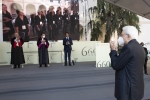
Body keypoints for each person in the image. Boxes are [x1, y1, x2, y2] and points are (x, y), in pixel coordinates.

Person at [109, 26, 145, 100]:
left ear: (128, 36)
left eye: (122, 35)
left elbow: (116, 64)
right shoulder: (139, 47)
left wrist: (113, 51)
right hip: (136, 87)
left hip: (128, 89)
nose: (121, 38)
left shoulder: (129, 47)